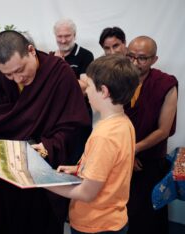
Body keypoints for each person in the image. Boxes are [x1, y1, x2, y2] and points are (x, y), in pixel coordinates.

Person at [0, 30, 91, 234]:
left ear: (31, 51)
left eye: (20, 70)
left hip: (41, 175)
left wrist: (48, 146)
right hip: (3, 174)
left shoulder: (59, 73)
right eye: (8, 74)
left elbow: (73, 124)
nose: (16, 79)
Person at [47, 55, 140, 234]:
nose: (86, 91)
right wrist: (78, 168)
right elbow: (111, 168)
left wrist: (44, 183)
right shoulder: (123, 123)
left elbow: (86, 193)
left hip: (95, 224)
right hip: (113, 219)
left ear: (104, 91)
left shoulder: (104, 136)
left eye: (88, 86)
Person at [125, 36, 178, 234]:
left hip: (149, 160)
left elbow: (163, 130)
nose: (134, 63)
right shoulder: (120, 78)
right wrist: (126, 154)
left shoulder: (165, 84)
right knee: (122, 214)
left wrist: (133, 150)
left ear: (154, 59)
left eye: (141, 58)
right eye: (130, 56)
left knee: (147, 217)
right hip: (122, 159)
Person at [51, 18, 93, 164]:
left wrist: (61, 68)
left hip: (78, 118)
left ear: (74, 35)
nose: (63, 40)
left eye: (67, 36)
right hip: (56, 119)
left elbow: (85, 87)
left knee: (77, 160)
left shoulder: (86, 55)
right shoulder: (51, 57)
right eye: (59, 36)